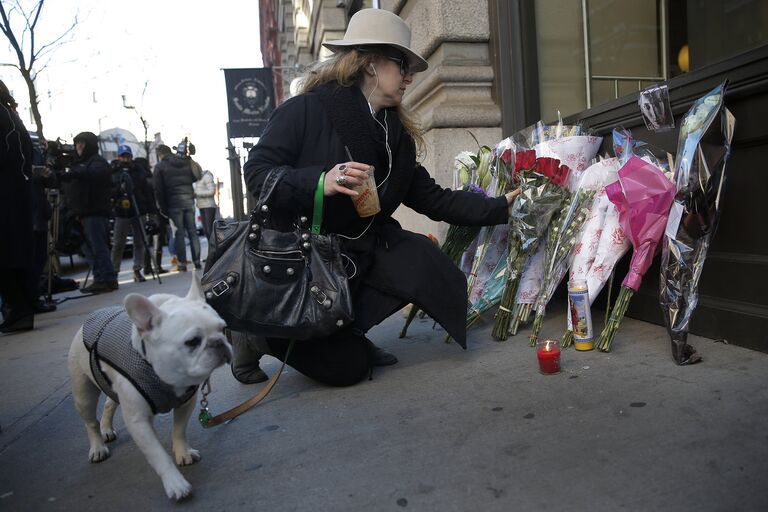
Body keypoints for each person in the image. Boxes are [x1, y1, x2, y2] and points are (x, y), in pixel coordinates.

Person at [236, 8, 518, 386]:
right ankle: (256, 336)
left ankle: (347, 330)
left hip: (358, 252)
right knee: (348, 371)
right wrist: (321, 179)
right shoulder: (306, 110)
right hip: (304, 257)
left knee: (421, 263)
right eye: (402, 63)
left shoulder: (393, 134)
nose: (410, 76)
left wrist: (501, 206)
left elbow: (431, 198)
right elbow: (256, 172)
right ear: (370, 63)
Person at [59, 132, 118, 293]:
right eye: (77, 143)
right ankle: (100, 278)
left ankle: (108, 279)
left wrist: (75, 172)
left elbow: (96, 173)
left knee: (98, 247)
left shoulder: (97, 162)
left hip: (94, 213)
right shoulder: (79, 163)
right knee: (88, 249)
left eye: (82, 143)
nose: (78, 147)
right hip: (81, 213)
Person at [0, 80, 36, 333]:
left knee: (7, 254)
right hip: (14, 192)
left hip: (7, 194)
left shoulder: (5, 116)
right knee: (15, 252)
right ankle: (22, 306)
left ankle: (19, 308)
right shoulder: (10, 115)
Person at [110, 145, 157, 282]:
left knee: (139, 241)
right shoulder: (113, 172)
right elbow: (110, 190)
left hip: (139, 209)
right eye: (123, 156)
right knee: (118, 243)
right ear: (119, 157)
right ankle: (114, 271)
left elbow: (147, 192)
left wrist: (151, 212)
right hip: (121, 211)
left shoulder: (138, 171)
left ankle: (137, 269)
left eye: (127, 156)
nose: (125, 159)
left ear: (131, 157)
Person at [153, 143, 202, 271]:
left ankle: (182, 263)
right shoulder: (184, 162)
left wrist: (163, 208)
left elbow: (158, 190)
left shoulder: (160, 167)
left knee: (179, 233)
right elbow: (195, 177)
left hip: (173, 204)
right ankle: (197, 261)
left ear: (160, 154)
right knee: (193, 232)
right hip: (188, 201)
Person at [193, 168, 218, 241]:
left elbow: (212, 191)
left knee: (209, 230)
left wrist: (197, 194)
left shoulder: (207, 176)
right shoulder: (198, 179)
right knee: (206, 231)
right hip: (201, 206)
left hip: (209, 206)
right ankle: (211, 249)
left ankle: (214, 249)